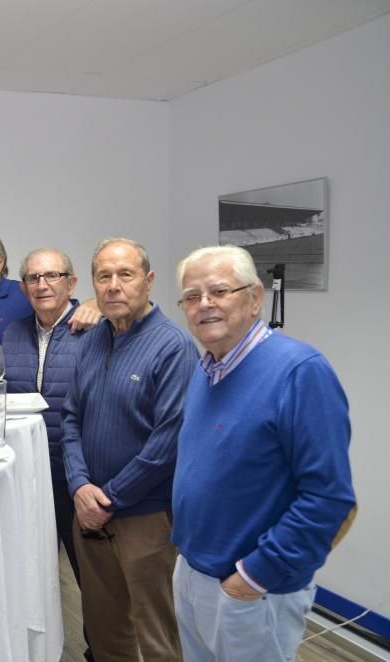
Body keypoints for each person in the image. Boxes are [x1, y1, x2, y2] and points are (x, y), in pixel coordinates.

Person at [172, 245, 356, 662]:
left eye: (219, 291)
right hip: (192, 571)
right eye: (191, 296)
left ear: (255, 297)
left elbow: (329, 498)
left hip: (249, 589)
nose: (204, 305)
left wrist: (252, 578)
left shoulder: (300, 371)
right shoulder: (207, 369)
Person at [61, 237, 197, 662]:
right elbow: (70, 420)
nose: (114, 286)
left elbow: (167, 441)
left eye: (126, 274)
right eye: (104, 276)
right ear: (93, 284)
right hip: (89, 515)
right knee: (105, 633)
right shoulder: (91, 340)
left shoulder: (173, 346)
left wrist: (110, 498)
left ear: (149, 280)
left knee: (158, 636)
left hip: (145, 519)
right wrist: (81, 487)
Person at [0, 248, 92, 660]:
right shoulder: (12, 333)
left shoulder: (95, 327)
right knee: (32, 568)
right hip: (26, 473)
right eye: (33, 278)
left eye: (52, 276)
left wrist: (97, 308)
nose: (42, 285)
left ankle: (99, 650)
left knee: (90, 576)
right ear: (23, 288)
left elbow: (139, 318)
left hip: (77, 474)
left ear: (71, 283)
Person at [0, 228, 99, 389]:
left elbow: (61, 304)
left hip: (3, 409)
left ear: (0, 262)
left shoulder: (26, 295)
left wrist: (96, 304)